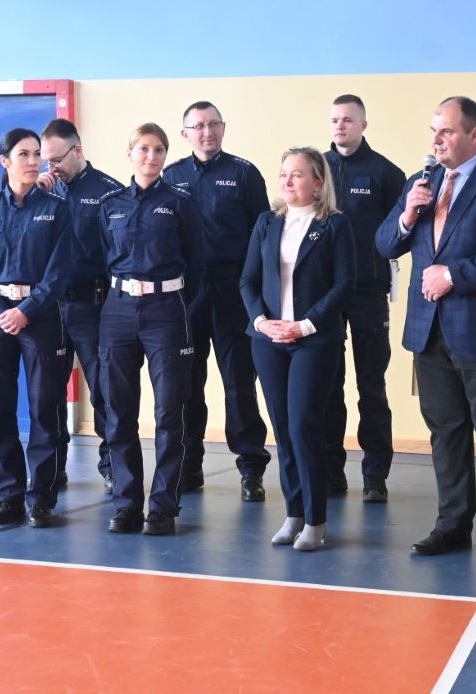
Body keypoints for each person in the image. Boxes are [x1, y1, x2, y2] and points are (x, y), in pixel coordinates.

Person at [376, 96, 476, 568]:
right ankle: (452, 525)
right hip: (430, 333)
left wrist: (453, 274)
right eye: (434, 131)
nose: (436, 140)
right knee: (445, 432)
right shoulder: (421, 183)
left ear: (475, 134)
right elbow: (384, 244)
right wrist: (407, 214)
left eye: (446, 131)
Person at [241, 146, 356, 550]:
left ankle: (316, 521)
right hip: (269, 341)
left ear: (318, 182)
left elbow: (345, 285)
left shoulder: (336, 225)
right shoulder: (266, 222)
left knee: (304, 426)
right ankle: (293, 514)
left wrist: (306, 324)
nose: (288, 181)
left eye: (298, 174)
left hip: (314, 340)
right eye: (284, 174)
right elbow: (248, 281)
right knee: (282, 428)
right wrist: (261, 322)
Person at [99, 123, 206, 536]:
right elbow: (101, 258)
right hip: (119, 310)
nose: (151, 156)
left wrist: (178, 304)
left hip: (166, 311)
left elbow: (197, 264)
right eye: (143, 149)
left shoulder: (180, 203)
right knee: (119, 411)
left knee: (169, 411)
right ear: (130, 153)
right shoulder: (110, 205)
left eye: (159, 149)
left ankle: (163, 505)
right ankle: (126, 503)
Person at [162, 101, 272, 501]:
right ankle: (189, 467)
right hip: (186, 293)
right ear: (185, 134)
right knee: (188, 383)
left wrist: (259, 296)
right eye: (198, 126)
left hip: (232, 291)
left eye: (213, 124)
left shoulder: (244, 173)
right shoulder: (171, 177)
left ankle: (251, 469)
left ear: (223, 128)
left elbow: (264, 237)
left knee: (239, 382)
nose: (206, 132)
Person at [0, 128, 72, 528]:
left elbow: (59, 271)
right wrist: (2, 312)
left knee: (45, 409)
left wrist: (26, 310)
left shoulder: (56, 209)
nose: (33, 161)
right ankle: (7, 496)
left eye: (37, 154)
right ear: (5, 161)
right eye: (24, 154)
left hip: (40, 316)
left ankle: (41, 498)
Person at [324, 94, 406, 502]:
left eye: (348, 120)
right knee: (329, 386)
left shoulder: (386, 173)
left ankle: (375, 476)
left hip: (369, 292)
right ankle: (331, 472)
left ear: (363, 125)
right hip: (325, 296)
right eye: (335, 120)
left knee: (372, 386)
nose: (340, 126)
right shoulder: (316, 168)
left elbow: (402, 232)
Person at [37, 118, 123, 494]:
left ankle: (112, 466)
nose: (51, 167)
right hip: (49, 308)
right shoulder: (40, 192)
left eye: (57, 159)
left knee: (105, 391)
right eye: (46, 160)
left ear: (78, 151)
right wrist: (36, 195)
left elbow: (119, 253)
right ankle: (53, 467)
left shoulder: (108, 192)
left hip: (94, 305)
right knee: (48, 392)